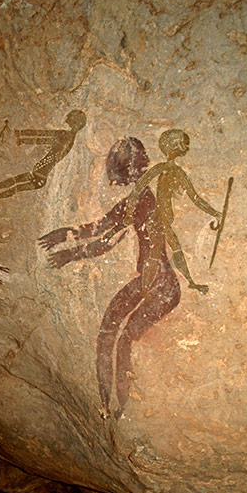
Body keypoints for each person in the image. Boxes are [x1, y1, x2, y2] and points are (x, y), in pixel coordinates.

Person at [39, 136, 182, 419]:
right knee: (110, 330)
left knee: (120, 335)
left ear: (127, 166)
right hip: (156, 281)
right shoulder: (141, 197)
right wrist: (68, 236)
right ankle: (109, 403)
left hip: (160, 284)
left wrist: (71, 252)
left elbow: (105, 238)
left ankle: (120, 406)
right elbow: (101, 230)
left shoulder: (141, 199)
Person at [124, 128, 221, 294]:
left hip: (165, 218)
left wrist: (214, 213)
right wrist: (129, 212)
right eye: (184, 144)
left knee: (172, 249)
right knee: (159, 252)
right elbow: (138, 187)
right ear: (174, 145)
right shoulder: (161, 168)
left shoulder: (179, 172)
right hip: (157, 218)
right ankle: (146, 288)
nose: (187, 148)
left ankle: (185, 282)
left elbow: (195, 198)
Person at [0, 110, 86, 200]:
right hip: (39, 175)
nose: (66, 119)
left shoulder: (65, 136)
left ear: (75, 122)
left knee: (16, 185)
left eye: (70, 117)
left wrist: (21, 137)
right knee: (15, 181)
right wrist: (22, 137)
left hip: (39, 176)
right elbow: (42, 137)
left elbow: (42, 136)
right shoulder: (69, 138)